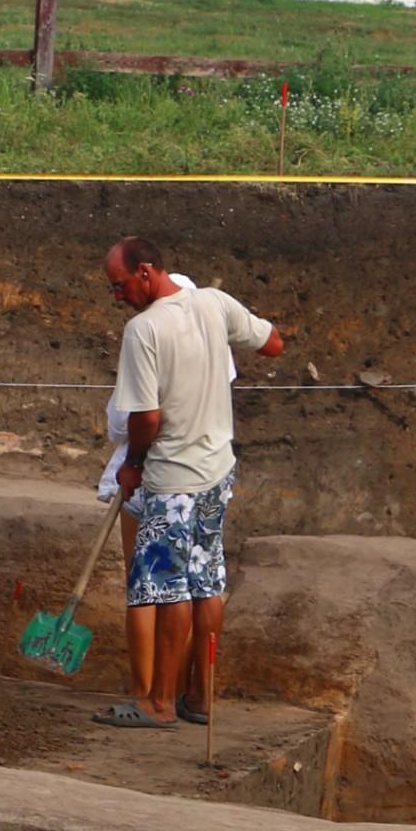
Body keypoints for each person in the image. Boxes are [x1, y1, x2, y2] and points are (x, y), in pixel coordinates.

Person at [100, 237, 279, 730]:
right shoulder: (213, 303)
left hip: (173, 479)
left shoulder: (144, 331)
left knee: (166, 588)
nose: (117, 297)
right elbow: (272, 342)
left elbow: (146, 417)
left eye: (119, 286)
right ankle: (199, 697)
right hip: (217, 472)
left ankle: (159, 702)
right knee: (207, 583)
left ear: (146, 271)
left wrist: (133, 463)